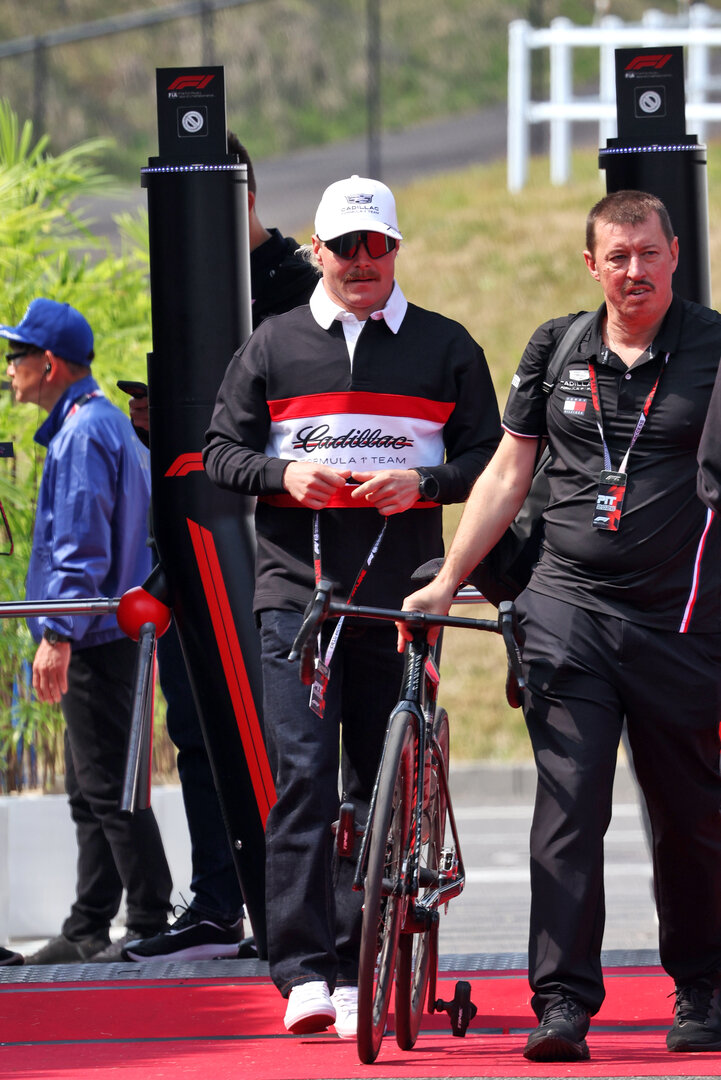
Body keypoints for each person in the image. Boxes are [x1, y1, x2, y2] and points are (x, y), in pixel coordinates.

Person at [399, 189, 721, 1061]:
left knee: (690, 818)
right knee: (567, 811)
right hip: (566, 610)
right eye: (615, 257)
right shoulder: (557, 347)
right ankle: (563, 1004)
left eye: (646, 254)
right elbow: (507, 471)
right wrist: (449, 580)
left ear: (673, 254)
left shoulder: (713, 349)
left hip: (680, 622)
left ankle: (702, 987)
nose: (632, 271)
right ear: (591, 265)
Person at [203, 174, 501, 1038]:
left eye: (376, 246)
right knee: (300, 780)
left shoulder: (446, 346)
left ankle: (361, 953)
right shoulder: (272, 344)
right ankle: (303, 971)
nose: (360, 262)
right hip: (296, 598)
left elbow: (494, 460)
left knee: (381, 790)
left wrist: (427, 482)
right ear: (317, 250)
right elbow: (220, 450)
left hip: (405, 599)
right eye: (344, 247)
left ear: (396, 249)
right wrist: (283, 474)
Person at [122, 136, 320, 964]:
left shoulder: (298, 286)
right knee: (199, 726)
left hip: (277, 534)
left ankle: (299, 909)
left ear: (237, 197)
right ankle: (216, 899)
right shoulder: (188, 289)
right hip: (196, 524)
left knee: (288, 736)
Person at [2, 298, 173, 964]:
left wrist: (58, 633)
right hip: (107, 634)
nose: (9, 369)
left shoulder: (80, 434)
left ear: (48, 364)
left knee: (109, 789)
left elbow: (79, 547)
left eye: (16, 356)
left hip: (95, 637)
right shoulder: (98, 425)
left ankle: (152, 921)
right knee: (92, 788)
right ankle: (87, 923)